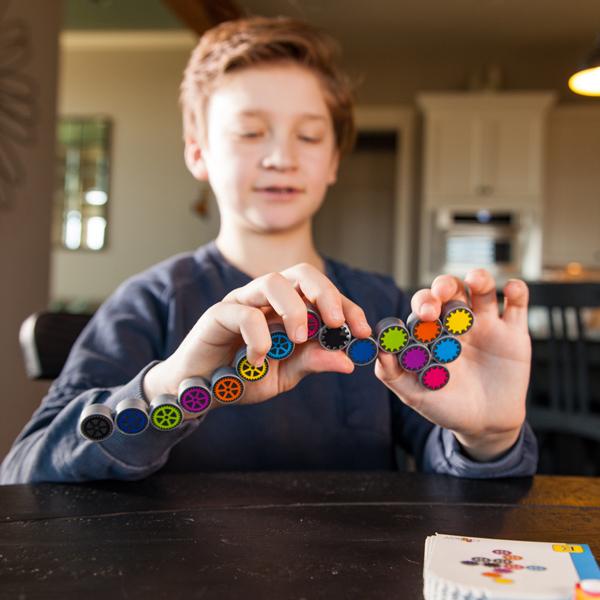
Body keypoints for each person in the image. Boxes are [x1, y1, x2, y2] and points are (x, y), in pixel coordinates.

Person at [0, 16, 537, 484]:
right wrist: (171, 385)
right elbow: (23, 471)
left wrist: (487, 439)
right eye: (250, 132)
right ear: (198, 153)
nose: (281, 157)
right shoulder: (149, 302)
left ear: (333, 160)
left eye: (309, 136)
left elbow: (450, 470)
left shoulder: (381, 303)